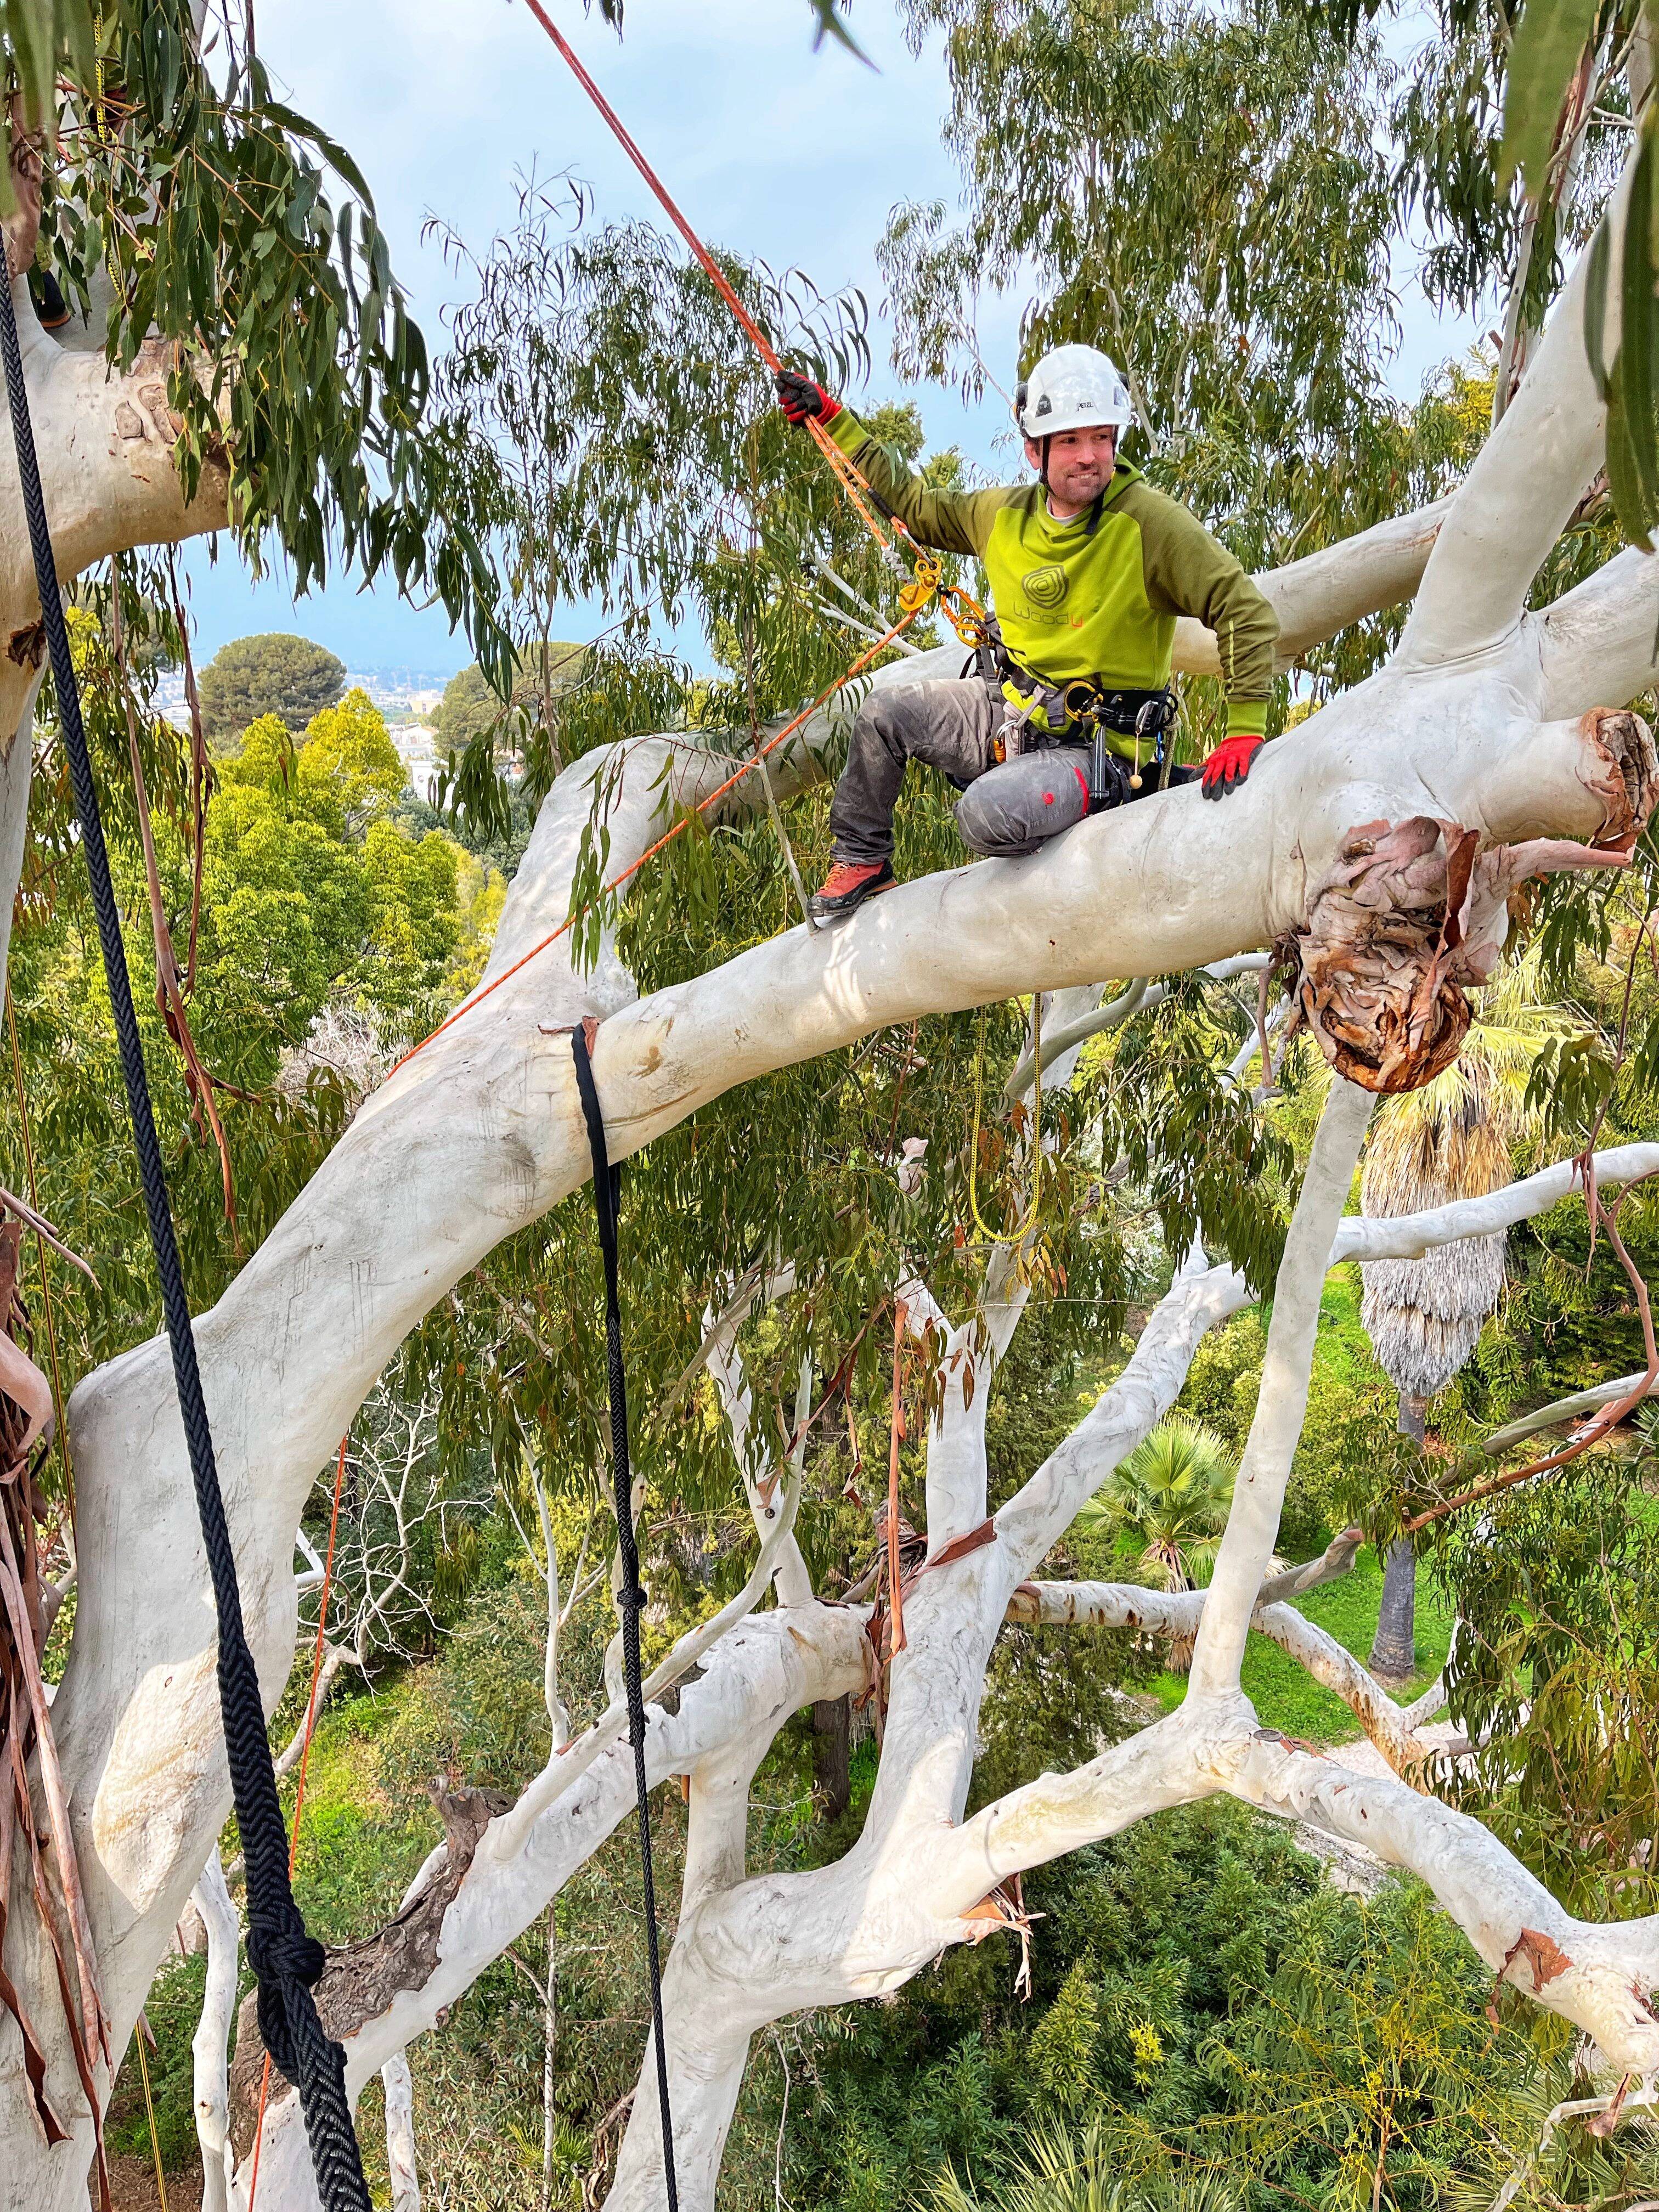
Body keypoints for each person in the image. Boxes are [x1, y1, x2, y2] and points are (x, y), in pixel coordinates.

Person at [774, 344, 1280, 922]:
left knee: (985, 816)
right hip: (1009, 714)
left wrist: (1244, 730)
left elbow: (1246, 611)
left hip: (1099, 751)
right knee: (886, 712)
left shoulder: (1147, 523)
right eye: (1069, 441)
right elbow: (915, 506)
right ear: (1034, 449)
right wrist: (833, 418)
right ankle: (864, 860)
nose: (1089, 456)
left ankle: (1132, 793)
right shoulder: (1000, 515)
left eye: (1101, 438)